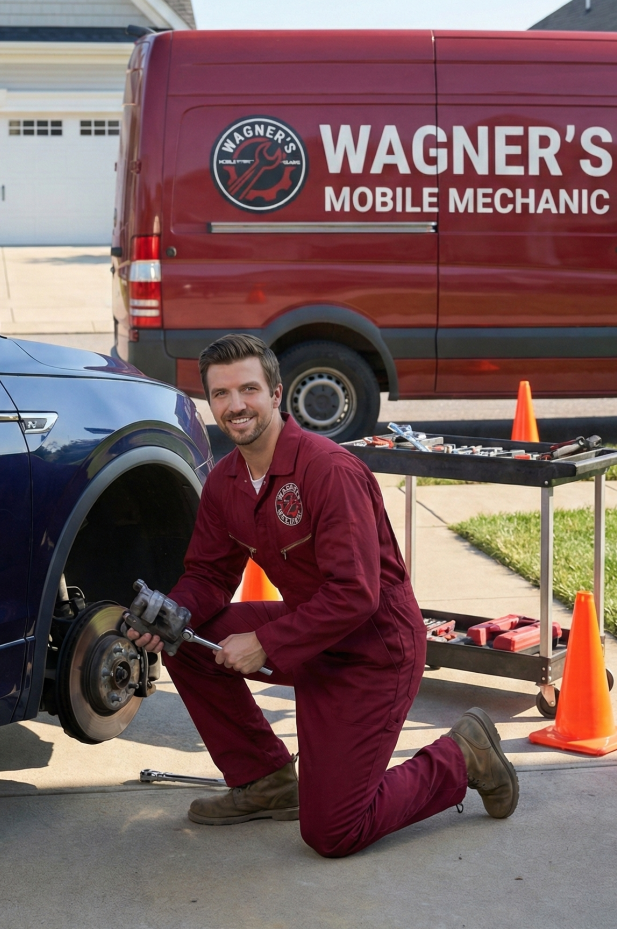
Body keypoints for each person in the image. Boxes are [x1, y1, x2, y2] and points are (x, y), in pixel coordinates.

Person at [127, 334, 518, 858]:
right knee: (186, 640)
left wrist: (265, 642)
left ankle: (463, 756)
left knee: (332, 832)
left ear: (277, 395)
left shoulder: (327, 470)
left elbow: (356, 594)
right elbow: (209, 574)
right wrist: (169, 614)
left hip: (375, 650)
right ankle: (264, 781)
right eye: (221, 394)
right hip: (308, 634)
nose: (236, 404)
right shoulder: (225, 482)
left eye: (248, 389)